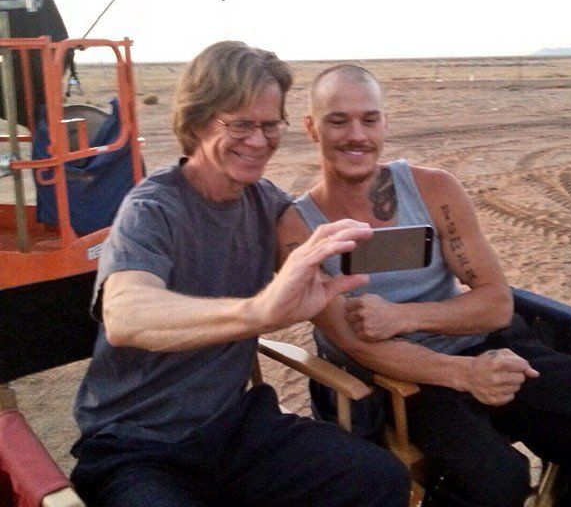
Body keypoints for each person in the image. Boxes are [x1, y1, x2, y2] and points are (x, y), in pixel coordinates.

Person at [277, 63, 571, 507]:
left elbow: (495, 305)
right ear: (312, 128)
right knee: (497, 481)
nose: (357, 135)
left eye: (369, 119)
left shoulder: (434, 190)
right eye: (338, 120)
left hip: (488, 347)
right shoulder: (297, 228)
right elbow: (360, 345)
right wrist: (465, 374)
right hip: (406, 379)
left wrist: (403, 316)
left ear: (384, 123)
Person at [70, 43, 410, 507]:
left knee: (378, 479)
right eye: (240, 124)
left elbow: (333, 245)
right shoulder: (152, 209)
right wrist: (257, 312)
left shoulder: (266, 204)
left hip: (233, 426)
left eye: (270, 125)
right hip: (139, 442)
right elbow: (127, 315)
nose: (258, 140)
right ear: (196, 121)